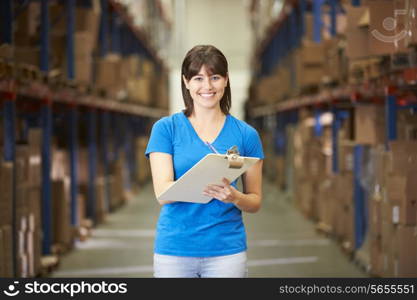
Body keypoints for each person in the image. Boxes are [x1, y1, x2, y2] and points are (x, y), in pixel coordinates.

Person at [145, 45, 264, 278]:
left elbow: (255, 201)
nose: (207, 86)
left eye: (215, 77)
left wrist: (235, 197)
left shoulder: (246, 135)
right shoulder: (165, 130)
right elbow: (162, 193)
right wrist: (201, 183)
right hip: (175, 250)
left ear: (226, 80)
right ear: (186, 82)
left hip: (226, 251)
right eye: (198, 78)